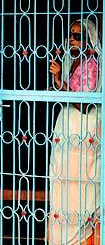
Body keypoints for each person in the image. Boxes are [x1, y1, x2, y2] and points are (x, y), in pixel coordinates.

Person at [48, 18, 101, 245]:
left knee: (79, 182)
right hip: (70, 129)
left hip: (82, 130)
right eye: (71, 34)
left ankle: (79, 235)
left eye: (78, 36)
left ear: (89, 40)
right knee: (64, 180)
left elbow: (83, 100)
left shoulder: (91, 63)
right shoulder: (75, 60)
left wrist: (60, 81)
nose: (72, 38)